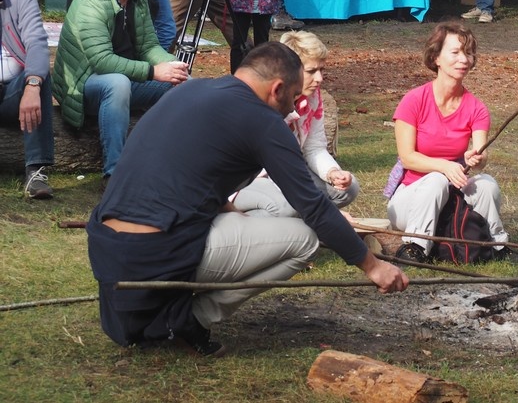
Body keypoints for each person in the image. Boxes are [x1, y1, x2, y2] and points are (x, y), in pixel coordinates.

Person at [86, 41, 408, 355]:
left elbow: (191, 175)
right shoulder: (262, 119)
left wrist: (230, 211)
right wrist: (372, 266)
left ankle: (169, 309)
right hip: (152, 256)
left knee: (248, 220)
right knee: (306, 240)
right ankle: (188, 320)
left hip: (107, 248)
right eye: (294, 97)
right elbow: (312, 206)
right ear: (277, 89)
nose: (295, 107)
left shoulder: (190, 91)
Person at [52, 0, 189, 182]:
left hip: (125, 76)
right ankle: (114, 175)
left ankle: (169, 164)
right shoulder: (92, 4)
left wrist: (173, 66)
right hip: (82, 85)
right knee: (117, 84)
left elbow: (148, 46)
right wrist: (153, 72)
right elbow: (102, 62)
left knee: (183, 85)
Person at [386, 22, 512, 263]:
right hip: (411, 201)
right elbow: (407, 156)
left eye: (468, 52)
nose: (463, 59)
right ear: (436, 58)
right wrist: (444, 167)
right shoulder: (413, 100)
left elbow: (480, 158)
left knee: (486, 184)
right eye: (455, 53)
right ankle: (415, 247)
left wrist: (476, 158)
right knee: (435, 179)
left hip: (452, 198)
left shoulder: (477, 108)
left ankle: (497, 244)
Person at [231, 31, 360, 215]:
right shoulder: (270, 98)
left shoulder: (313, 97)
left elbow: (314, 147)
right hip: (251, 178)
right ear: (292, 71)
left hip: (288, 173)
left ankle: (304, 218)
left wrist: (332, 172)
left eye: (322, 70)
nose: (319, 79)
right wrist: (327, 213)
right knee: (287, 207)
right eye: (311, 71)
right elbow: (274, 164)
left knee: (348, 188)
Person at [0, 0, 55, 199]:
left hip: (13, 91)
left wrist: (32, 85)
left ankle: (36, 171)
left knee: (38, 75)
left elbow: (37, 43)